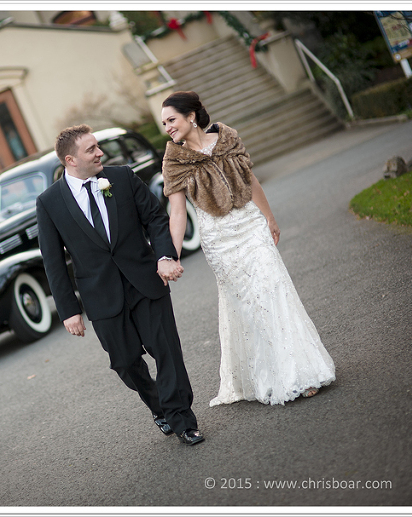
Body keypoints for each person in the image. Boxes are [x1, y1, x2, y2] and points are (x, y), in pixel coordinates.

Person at [160, 91, 335, 406]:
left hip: (251, 225)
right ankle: (266, 376)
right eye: (164, 123)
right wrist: (172, 255)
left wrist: (269, 217)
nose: (167, 127)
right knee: (247, 304)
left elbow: (250, 180)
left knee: (274, 290)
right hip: (219, 240)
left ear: (191, 116)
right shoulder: (174, 160)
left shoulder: (227, 138)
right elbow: (177, 212)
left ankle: (301, 371)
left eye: (171, 119)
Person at [36, 124, 203, 445]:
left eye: (98, 146)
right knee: (125, 363)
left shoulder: (123, 177)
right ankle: (159, 406)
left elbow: (155, 218)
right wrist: (68, 310)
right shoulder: (49, 202)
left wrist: (165, 255)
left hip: (146, 282)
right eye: (91, 150)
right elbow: (53, 260)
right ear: (70, 160)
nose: (100, 153)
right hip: (101, 296)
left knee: (167, 352)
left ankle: (182, 420)